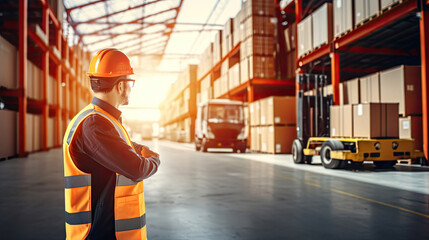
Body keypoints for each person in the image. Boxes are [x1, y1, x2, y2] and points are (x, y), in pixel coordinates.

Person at [63, 48, 160, 240]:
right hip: (98, 233)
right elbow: (137, 168)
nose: (130, 88)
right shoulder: (95, 124)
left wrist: (138, 148)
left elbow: (119, 144)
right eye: (130, 83)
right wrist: (154, 159)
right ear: (121, 86)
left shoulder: (102, 119)